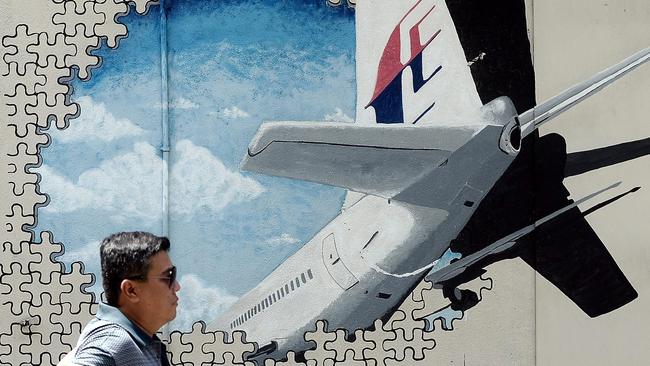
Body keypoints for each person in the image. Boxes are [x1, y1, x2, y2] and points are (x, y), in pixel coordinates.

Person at [60, 231, 181, 365]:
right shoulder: (111, 343)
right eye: (168, 276)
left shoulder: (138, 341)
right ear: (131, 290)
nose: (177, 286)